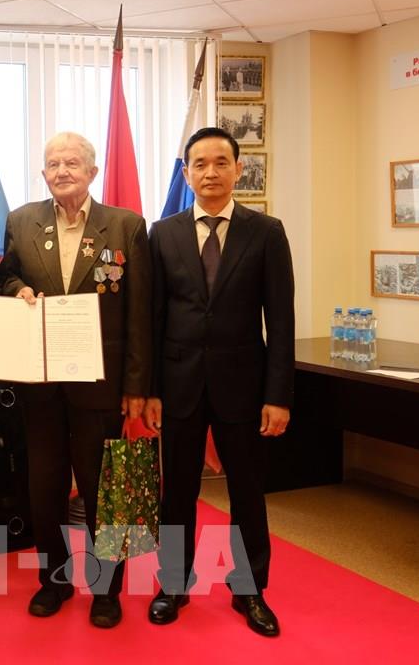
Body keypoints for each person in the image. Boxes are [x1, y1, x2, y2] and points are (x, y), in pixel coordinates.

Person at [145, 127, 294, 637]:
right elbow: (153, 317)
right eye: (200, 164)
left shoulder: (266, 232)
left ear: (238, 169)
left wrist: (278, 395)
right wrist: (151, 389)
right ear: (187, 173)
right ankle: (173, 584)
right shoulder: (163, 233)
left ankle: (249, 589)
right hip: (178, 383)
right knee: (178, 492)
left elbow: (281, 320)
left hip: (244, 386)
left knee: (247, 492)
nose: (210, 172)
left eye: (221, 163)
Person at [0, 132, 152, 629]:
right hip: (39, 380)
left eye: (71, 163)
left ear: (92, 172)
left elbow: (139, 312)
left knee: (102, 489)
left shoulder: (125, 225)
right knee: (44, 487)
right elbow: (5, 277)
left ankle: (107, 589)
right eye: (52, 164)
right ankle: (55, 580)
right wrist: (19, 289)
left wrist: (136, 386)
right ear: (43, 173)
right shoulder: (22, 221)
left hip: (101, 383)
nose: (61, 171)